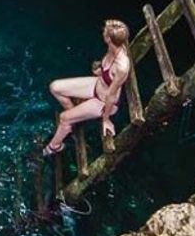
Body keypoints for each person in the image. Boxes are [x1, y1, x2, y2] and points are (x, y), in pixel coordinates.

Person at [43, 19, 130, 155]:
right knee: (55, 87)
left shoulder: (122, 67)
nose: (102, 33)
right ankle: (73, 116)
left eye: (104, 32)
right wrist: (101, 71)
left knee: (64, 118)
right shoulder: (113, 47)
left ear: (108, 39)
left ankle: (55, 146)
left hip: (103, 102)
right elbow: (107, 70)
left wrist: (106, 120)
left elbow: (111, 96)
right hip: (97, 84)